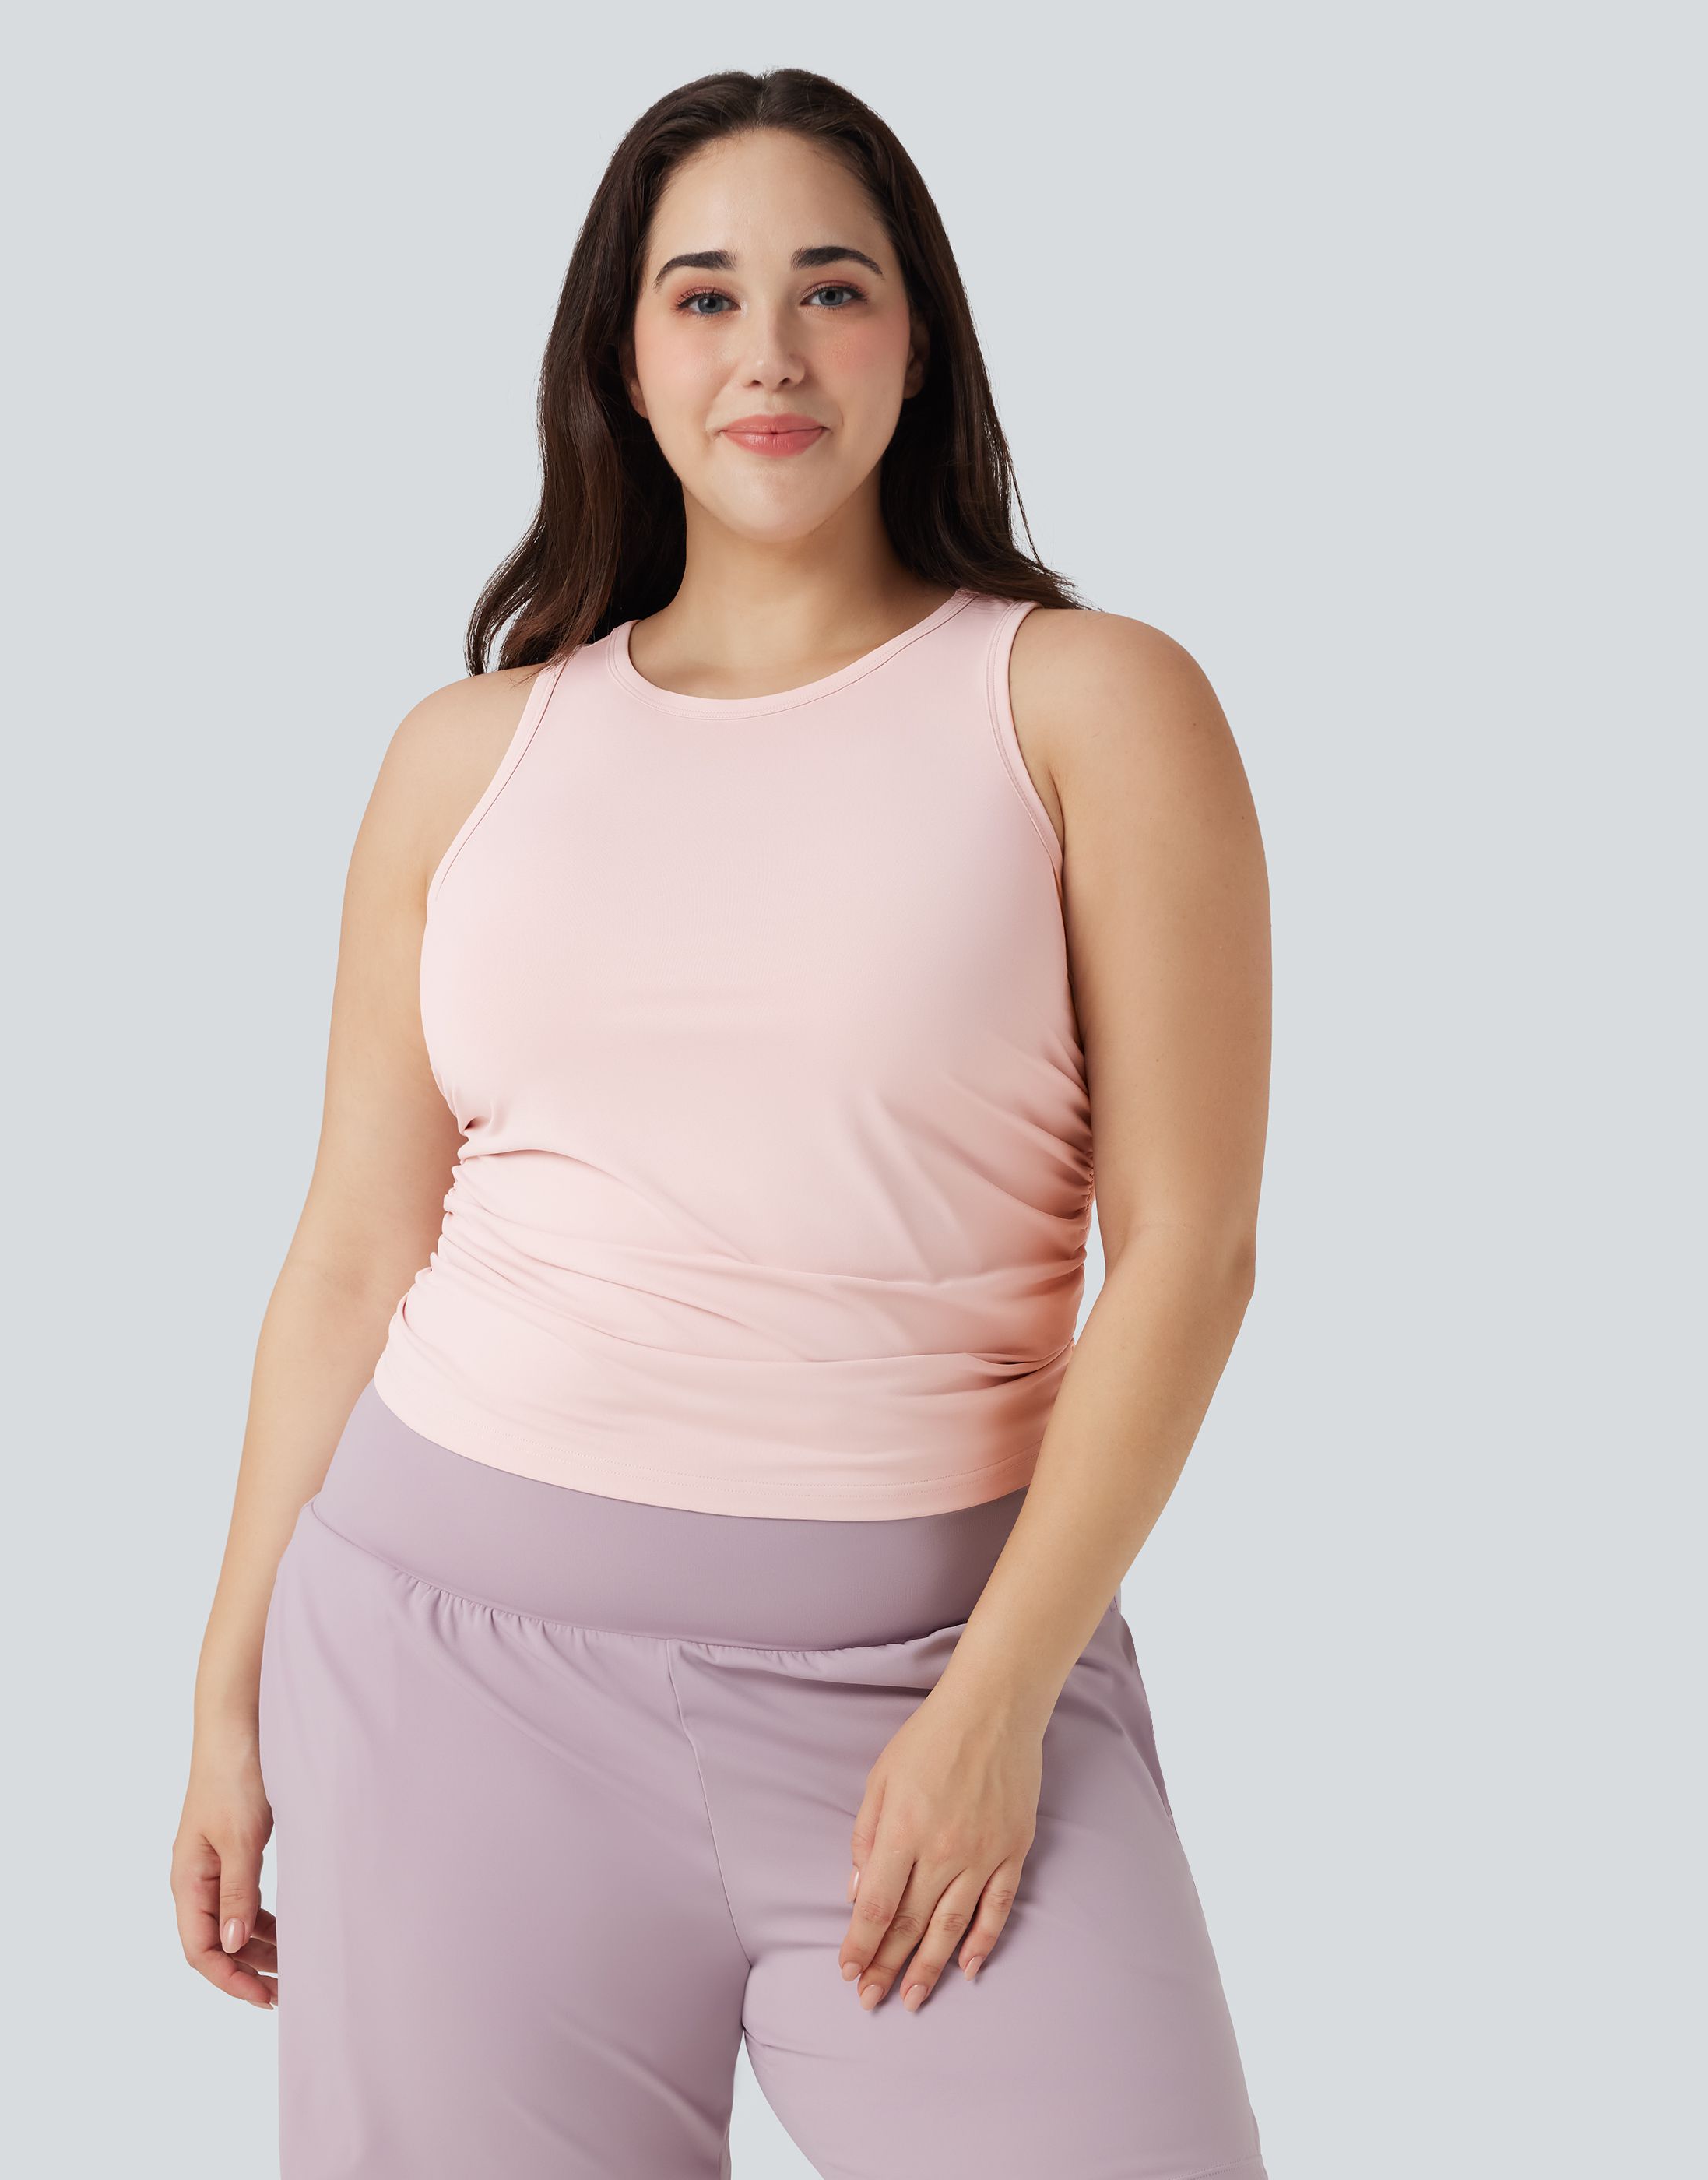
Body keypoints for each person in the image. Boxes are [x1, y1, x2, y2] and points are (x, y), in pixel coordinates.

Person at [171, 65, 1273, 2180]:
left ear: (918, 345)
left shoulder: (1083, 702)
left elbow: (1191, 1254)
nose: (769, 350)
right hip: (440, 1686)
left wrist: (995, 1708)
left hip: (934, 1683)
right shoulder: (469, 752)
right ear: (624, 356)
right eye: (703, 296)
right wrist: (227, 1689)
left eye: (831, 290)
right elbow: (352, 1250)